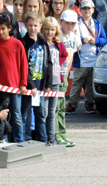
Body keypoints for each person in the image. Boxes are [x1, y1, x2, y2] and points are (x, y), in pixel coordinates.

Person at [0, 12, 28, 142]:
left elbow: (24, 65)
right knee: (2, 116)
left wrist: (23, 84)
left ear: (10, 28)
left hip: (15, 88)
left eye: (3, 29)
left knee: (16, 115)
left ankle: (19, 140)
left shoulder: (17, 44)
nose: (0, 32)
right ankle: (2, 139)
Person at [65, 0, 106, 114]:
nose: (87, 11)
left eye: (89, 8)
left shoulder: (97, 23)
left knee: (90, 85)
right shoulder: (76, 23)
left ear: (93, 10)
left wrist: (96, 40)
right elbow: (71, 37)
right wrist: (82, 40)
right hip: (81, 60)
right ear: (81, 10)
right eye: (84, 9)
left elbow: (104, 40)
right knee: (76, 83)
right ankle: (72, 105)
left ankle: (89, 104)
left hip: (94, 60)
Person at [21, 11, 51, 142]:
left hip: (40, 86)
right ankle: (27, 139)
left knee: (40, 114)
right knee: (26, 114)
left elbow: (49, 63)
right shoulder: (23, 43)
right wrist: (30, 85)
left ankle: (42, 140)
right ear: (26, 26)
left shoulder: (43, 42)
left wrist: (48, 84)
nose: (33, 28)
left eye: (35, 25)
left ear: (40, 26)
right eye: (30, 25)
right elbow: (23, 66)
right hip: (29, 87)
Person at [55, 9, 79, 145]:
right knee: (56, 107)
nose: (70, 26)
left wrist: (67, 75)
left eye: (73, 24)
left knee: (62, 107)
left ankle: (62, 133)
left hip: (65, 74)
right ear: (61, 22)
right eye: (67, 23)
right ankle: (56, 133)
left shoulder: (74, 37)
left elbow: (71, 57)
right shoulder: (58, 37)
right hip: (55, 76)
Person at [42, 16, 66, 144]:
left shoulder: (58, 44)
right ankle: (43, 137)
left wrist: (58, 64)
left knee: (52, 112)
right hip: (46, 82)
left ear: (56, 30)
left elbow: (64, 55)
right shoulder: (42, 44)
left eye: (52, 30)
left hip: (56, 81)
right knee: (44, 111)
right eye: (47, 29)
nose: (49, 33)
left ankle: (51, 138)